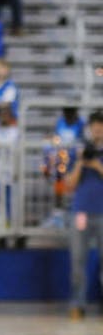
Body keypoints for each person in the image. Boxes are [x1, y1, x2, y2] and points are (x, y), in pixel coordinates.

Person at [65, 111, 103, 319]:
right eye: (95, 125)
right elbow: (69, 184)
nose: (98, 129)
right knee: (78, 261)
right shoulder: (78, 150)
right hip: (81, 213)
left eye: (101, 125)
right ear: (90, 127)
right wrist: (81, 162)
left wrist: (97, 165)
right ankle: (77, 304)